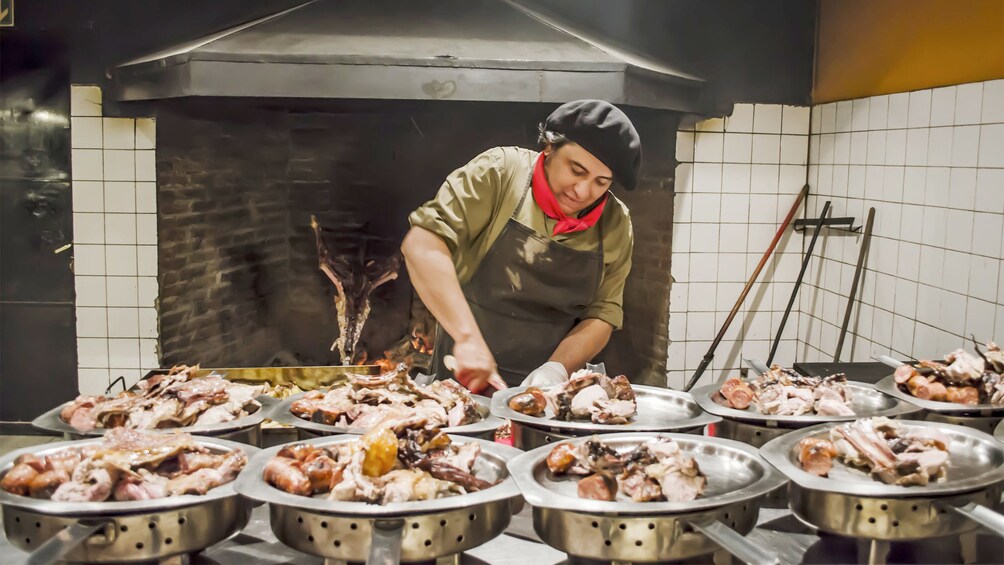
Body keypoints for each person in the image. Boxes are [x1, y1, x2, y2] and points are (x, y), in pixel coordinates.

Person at [401, 99, 640, 393]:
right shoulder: (500, 173)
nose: (583, 191)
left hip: (552, 393)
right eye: (576, 171)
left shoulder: (616, 222)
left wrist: (556, 369)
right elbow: (422, 244)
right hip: (464, 381)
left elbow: (604, 313)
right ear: (549, 147)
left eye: (601, 182)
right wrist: (467, 339)